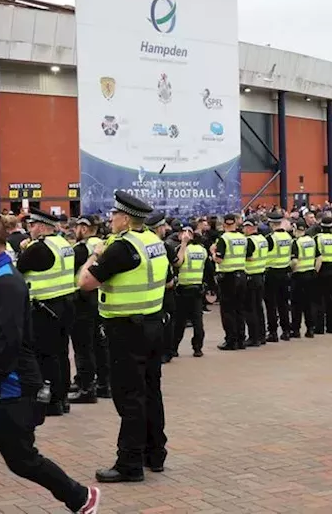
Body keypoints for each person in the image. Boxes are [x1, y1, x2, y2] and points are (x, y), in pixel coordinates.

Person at [0, 212, 100, 513]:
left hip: (8, 387)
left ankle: (80, 496)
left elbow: (12, 339)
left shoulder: (7, 281)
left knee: (22, 460)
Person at [76, 192, 169, 483]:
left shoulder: (120, 248)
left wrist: (94, 255)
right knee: (151, 392)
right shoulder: (153, 241)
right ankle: (155, 454)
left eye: (114, 215)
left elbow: (85, 283)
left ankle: (129, 462)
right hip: (153, 324)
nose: (110, 220)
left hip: (127, 331)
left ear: (125, 219)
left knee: (129, 397)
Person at [15, 208, 78, 417]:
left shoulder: (38, 248)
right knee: (61, 353)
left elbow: (18, 270)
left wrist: (23, 250)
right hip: (66, 304)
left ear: (42, 227)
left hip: (45, 308)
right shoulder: (63, 244)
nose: (29, 229)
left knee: (45, 355)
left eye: (32, 225)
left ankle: (49, 400)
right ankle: (62, 398)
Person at [68, 218, 110, 403]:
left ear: (84, 229)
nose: (75, 230)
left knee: (83, 346)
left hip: (82, 299)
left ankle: (86, 388)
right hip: (99, 298)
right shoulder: (102, 244)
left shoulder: (82, 248)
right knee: (99, 344)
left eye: (77, 227)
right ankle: (103, 384)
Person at [213, 214, 250, 351]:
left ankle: (231, 340)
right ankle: (241, 339)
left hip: (228, 277)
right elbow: (249, 256)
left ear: (224, 224)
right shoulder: (242, 238)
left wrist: (213, 253)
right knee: (239, 309)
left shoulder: (224, 239)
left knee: (228, 310)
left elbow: (219, 260)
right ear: (235, 224)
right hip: (242, 275)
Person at [172, 225, 208, 357]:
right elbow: (206, 269)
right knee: (197, 321)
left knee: (179, 322)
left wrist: (183, 244)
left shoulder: (181, 249)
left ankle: (174, 348)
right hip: (197, 289)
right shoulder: (202, 250)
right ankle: (198, 348)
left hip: (183, 289)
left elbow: (176, 264)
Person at [263, 213, 293, 342]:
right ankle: (286, 330)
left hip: (271, 273)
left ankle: (273, 332)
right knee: (283, 303)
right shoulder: (288, 236)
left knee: (271, 305)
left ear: (270, 223)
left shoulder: (270, 238)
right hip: (285, 272)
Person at [242, 219, 269, 347]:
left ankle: (254, 337)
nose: (244, 229)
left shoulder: (250, 241)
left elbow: (249, 256)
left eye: (246, 227)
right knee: (258, 307)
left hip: (251, 276)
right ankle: (262, 335)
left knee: (249, 308)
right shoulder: (263, 239)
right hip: (260, 274)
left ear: (250, 228)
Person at [291, 223, 320, 338]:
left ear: (296, 229)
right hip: (310, 274)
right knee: (309, 303)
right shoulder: (312, 241)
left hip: (299, 275)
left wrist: (292, 271)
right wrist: (315, 271)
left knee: (297, 305)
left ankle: (296, 330)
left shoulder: (296, 242)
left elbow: (294, 261)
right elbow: (319, 258)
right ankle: (310, 329)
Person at [316, 217, 332, 334]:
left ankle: (320, 327)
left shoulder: (318, 238)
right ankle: (331, 326)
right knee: (331, 299)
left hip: (322, 269)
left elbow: (317, 255)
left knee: (320, 298)